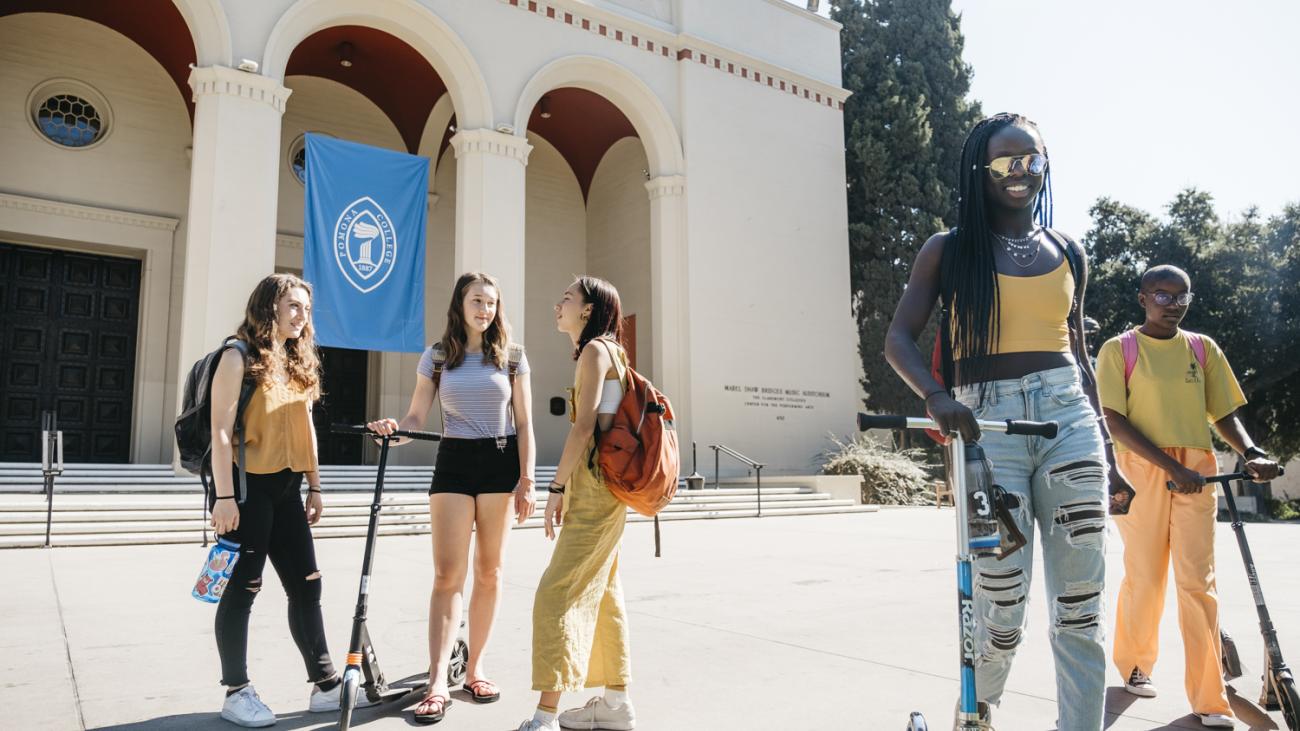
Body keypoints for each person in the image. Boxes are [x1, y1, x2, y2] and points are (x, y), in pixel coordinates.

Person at [882, 113, 1132, 731]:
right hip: (983, 423)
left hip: (1068, 414)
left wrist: (1111, 449)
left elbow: (1077, 352)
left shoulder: (1068, 248)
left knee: (1080, 605)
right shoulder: (948, 249)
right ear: (980, 170)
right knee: (1001, 604)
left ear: (1045, 165)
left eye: (1031, 160)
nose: (1020, 173)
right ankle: (978, 712)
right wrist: (938, 398)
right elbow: (898, 340)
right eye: (1005, 163)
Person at [1098, 265, 1279, 729]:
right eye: (1163, 295)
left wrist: (1252, 451)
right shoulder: (1120, 350)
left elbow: (1224, 413)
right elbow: (1114, 421)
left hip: (1197, 470)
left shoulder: (1202, 348)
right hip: (1141, 469)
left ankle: (1209, 696)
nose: (1173, 303)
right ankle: (1136, 663)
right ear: (1143, 298)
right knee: (1147, 575)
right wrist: (1170, 467)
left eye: (1182, 296)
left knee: (1198, 583)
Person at [368, 272, 537, 724]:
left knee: (490, 570)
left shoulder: (514, 358)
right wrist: (394, 431)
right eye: (477, 300)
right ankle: (438, 679)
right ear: (459, 304)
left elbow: (524, 424)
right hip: (454, 460)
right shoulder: (438, 356)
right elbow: (417, 414)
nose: (485, 309)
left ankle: (476, 666)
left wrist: (528, 480)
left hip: (500, 461)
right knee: (447, 575)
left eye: (492, 303)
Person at [207, 273, 345, 727]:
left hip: (288, 489)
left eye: (306, 308)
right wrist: (224, 496)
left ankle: (325, 685)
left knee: (307, 585)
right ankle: (236, 691)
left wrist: (316, 485)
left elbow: (305, 429)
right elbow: (222, 432)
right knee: (243, 588)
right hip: (247, 489)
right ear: (269, 307)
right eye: (292, 306)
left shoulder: (297, 361)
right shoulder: (237, 356)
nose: (302, 315)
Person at [517, 276, 636, 731]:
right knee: (604, 592)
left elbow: (583, 427)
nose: (558, 304)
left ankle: (545, 716)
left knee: (557, 592)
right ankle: (617, 703)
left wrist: (556, 488)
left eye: (567, 298)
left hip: (593, 487)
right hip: (609, 488)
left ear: (588, 310)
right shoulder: (613, 351)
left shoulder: (594, 351)